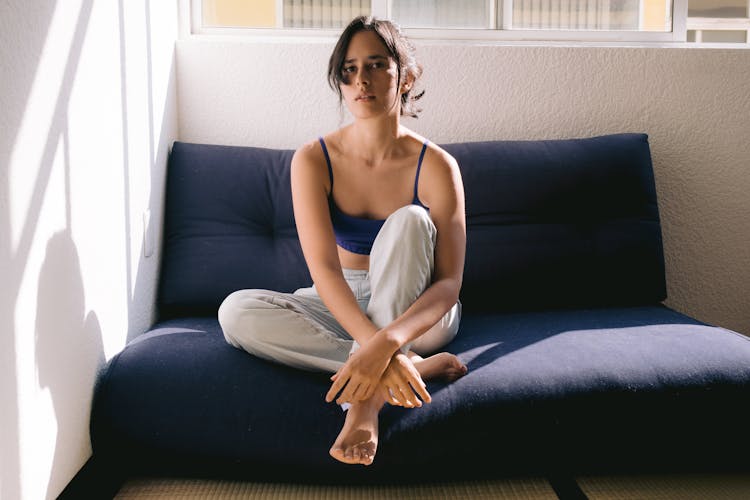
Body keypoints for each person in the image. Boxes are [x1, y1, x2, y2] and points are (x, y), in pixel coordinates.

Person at [218, 15, 467, 467]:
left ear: (407, 76)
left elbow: (448, 283)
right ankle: (406, 371)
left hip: (422, 315)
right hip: (343, 298)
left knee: (411, 219)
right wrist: (379, 348)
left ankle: (366, 406)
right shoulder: (313, 159)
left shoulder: (437, 165)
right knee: (235, 311)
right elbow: (325, 273)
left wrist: (390, 337)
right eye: (349, 70)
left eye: (376, 65)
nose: (361, 81)